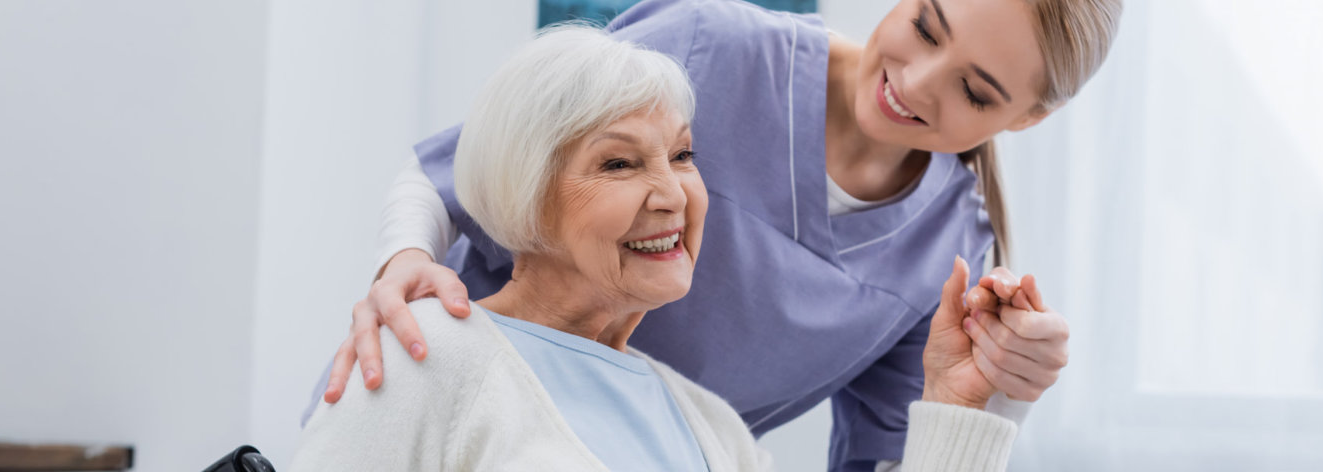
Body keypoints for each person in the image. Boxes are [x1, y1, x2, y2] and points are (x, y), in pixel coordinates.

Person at [323, 0, 1120, 471]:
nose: (913, 81)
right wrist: (402, 268)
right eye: (926, 26)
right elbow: (456, 171)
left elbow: (898, 455)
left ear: (1028, 118)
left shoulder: (945, 254)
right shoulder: (711, 47)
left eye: (975, 93)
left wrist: (1001, 398)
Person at [293, 26, 1020, 471]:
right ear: (525, 195)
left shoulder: (710, 428)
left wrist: (969, 407)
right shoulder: (426, 360)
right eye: (619, 163)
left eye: (682, 156)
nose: (673, 193)